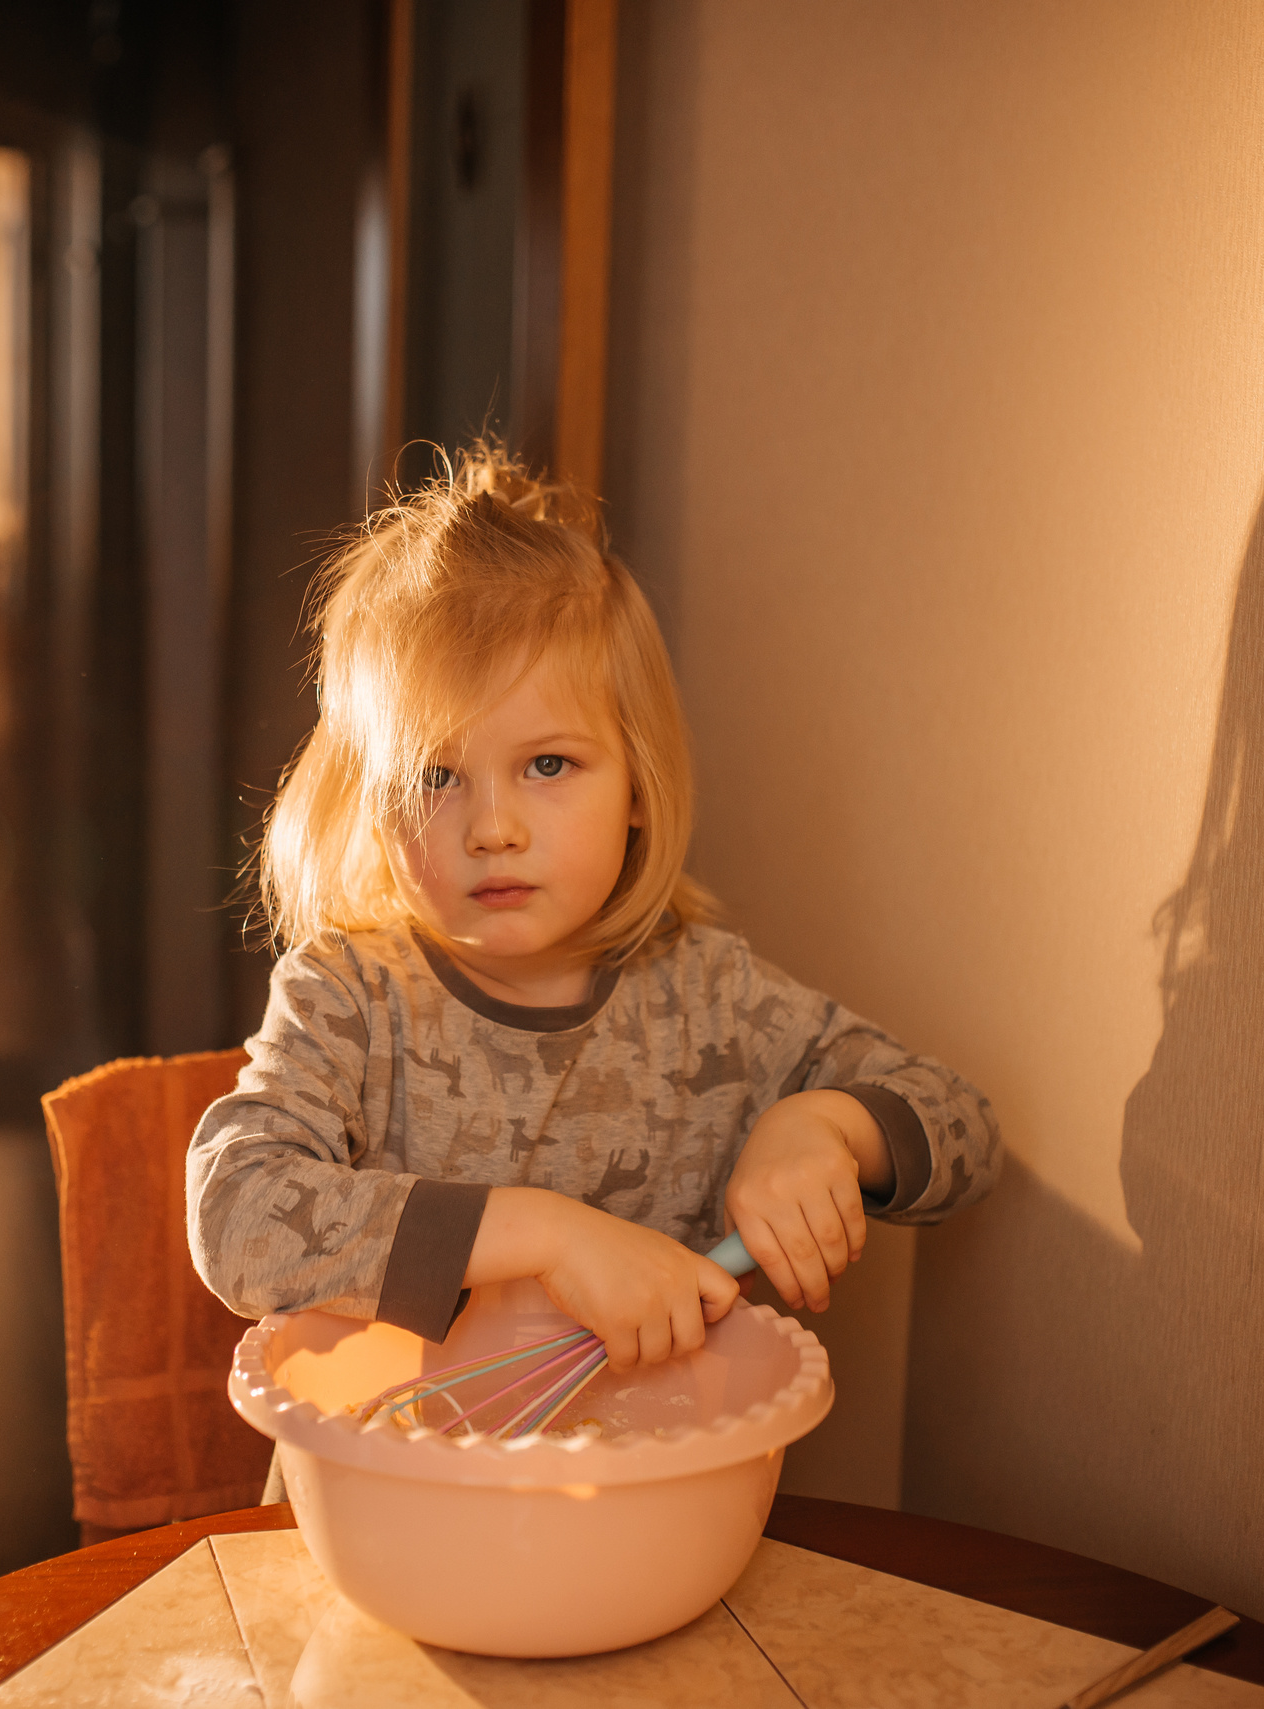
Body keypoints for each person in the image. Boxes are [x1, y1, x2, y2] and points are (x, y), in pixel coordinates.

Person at [186, 442, 1000, 1382]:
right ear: (372, 801)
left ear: (639, 787)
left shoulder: (712, 999)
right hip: (383, 1498)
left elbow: (966, 1130)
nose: (492, 828)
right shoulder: (351, 998)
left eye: (548, 765)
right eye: (433, 776)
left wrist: (824, 1127)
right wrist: (547, 1235)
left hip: (645, 1503)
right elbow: (236, 1213)